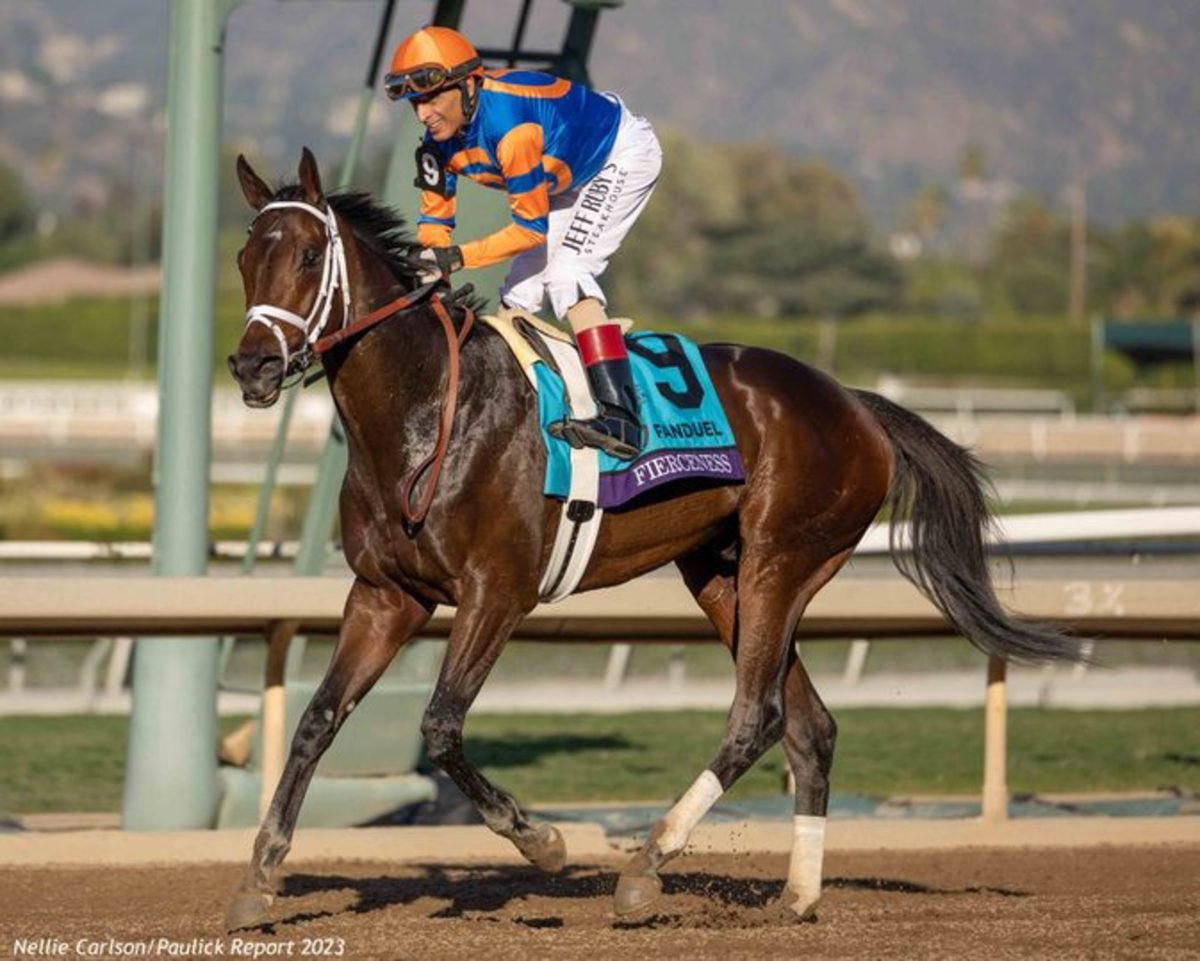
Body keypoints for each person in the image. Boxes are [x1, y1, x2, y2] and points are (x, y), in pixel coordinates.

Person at [385, 25, 662, 460]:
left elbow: (530, 231)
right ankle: (518, 409)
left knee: (569, 274)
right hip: (564, 174)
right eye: (416, 102)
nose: (423, 114)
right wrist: (431, 261)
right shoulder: (434, 145)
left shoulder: (511, 129)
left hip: (618, 154)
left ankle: (621, 416)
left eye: (433, 97)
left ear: (469, 84)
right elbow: (434, 224)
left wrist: (457, 258)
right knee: (518, 296)